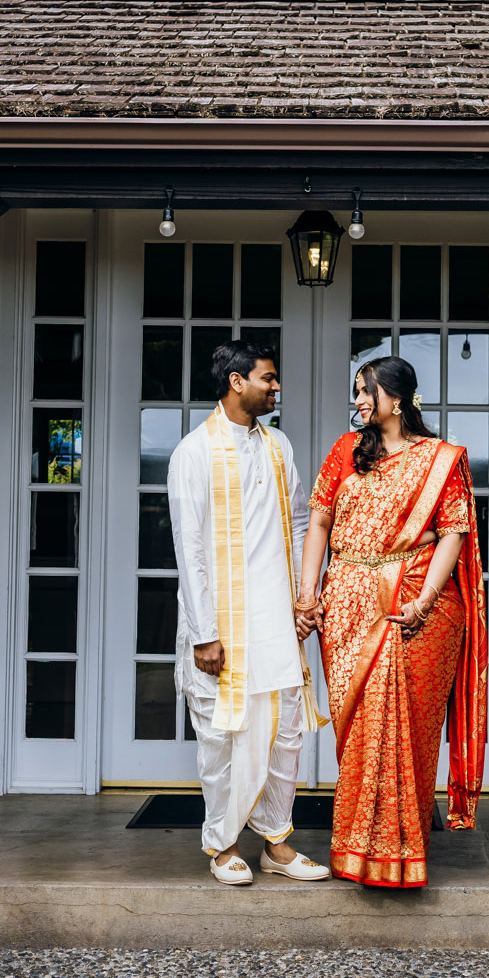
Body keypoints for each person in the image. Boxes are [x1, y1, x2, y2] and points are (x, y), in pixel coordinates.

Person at [294, 354, 488, 887]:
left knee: (407, 728)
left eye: (366, 392)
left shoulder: (440, 459)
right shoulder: (344, 452)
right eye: (356, 392)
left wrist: (425, 601)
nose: (357, 402)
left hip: (413, 606)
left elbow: (453, 533)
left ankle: (400, 850)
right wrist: (306, 593)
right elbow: (320, 523)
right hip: (348, 603)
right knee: (357, 728)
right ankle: (358, 849)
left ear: (396, 399)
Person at [166, 339, 330, 886]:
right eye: (268, 378)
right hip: (220, 627)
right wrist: (204, 634)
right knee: (222, 736)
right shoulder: (193, 452)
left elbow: (302, 524)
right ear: (237, 382)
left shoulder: (279, 446)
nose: (276, 386)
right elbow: (188, 548)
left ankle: (277, 846)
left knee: (286, 733)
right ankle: (224, 846)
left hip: (275, 623)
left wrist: (305, 597)